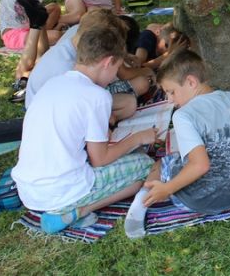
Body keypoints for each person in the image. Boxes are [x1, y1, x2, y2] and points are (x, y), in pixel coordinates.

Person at [11, 26, 156, 234]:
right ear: (107, 62)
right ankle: (77, 211)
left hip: (28, 191)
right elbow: (100, 160)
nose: (114, 77)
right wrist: (138, 138)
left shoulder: (53, 83)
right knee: (147, 166)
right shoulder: (97, 95)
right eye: (116, 68)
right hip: (62, 190)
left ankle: (70, 209)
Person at [124, 49, 230, 239]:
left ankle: (139, 205)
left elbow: (200, 165)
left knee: (162, 162)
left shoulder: (184, 115)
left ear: (191, 82)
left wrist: (167, 189)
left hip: (196, 200)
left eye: (171, 92)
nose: (170, 100)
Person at [25, 9, 147, 121]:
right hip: (51, 116)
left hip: (61, 105)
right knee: (127, 100)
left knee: (127, 102)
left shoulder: (77, 34)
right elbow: (76, 106)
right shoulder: (67, 68)